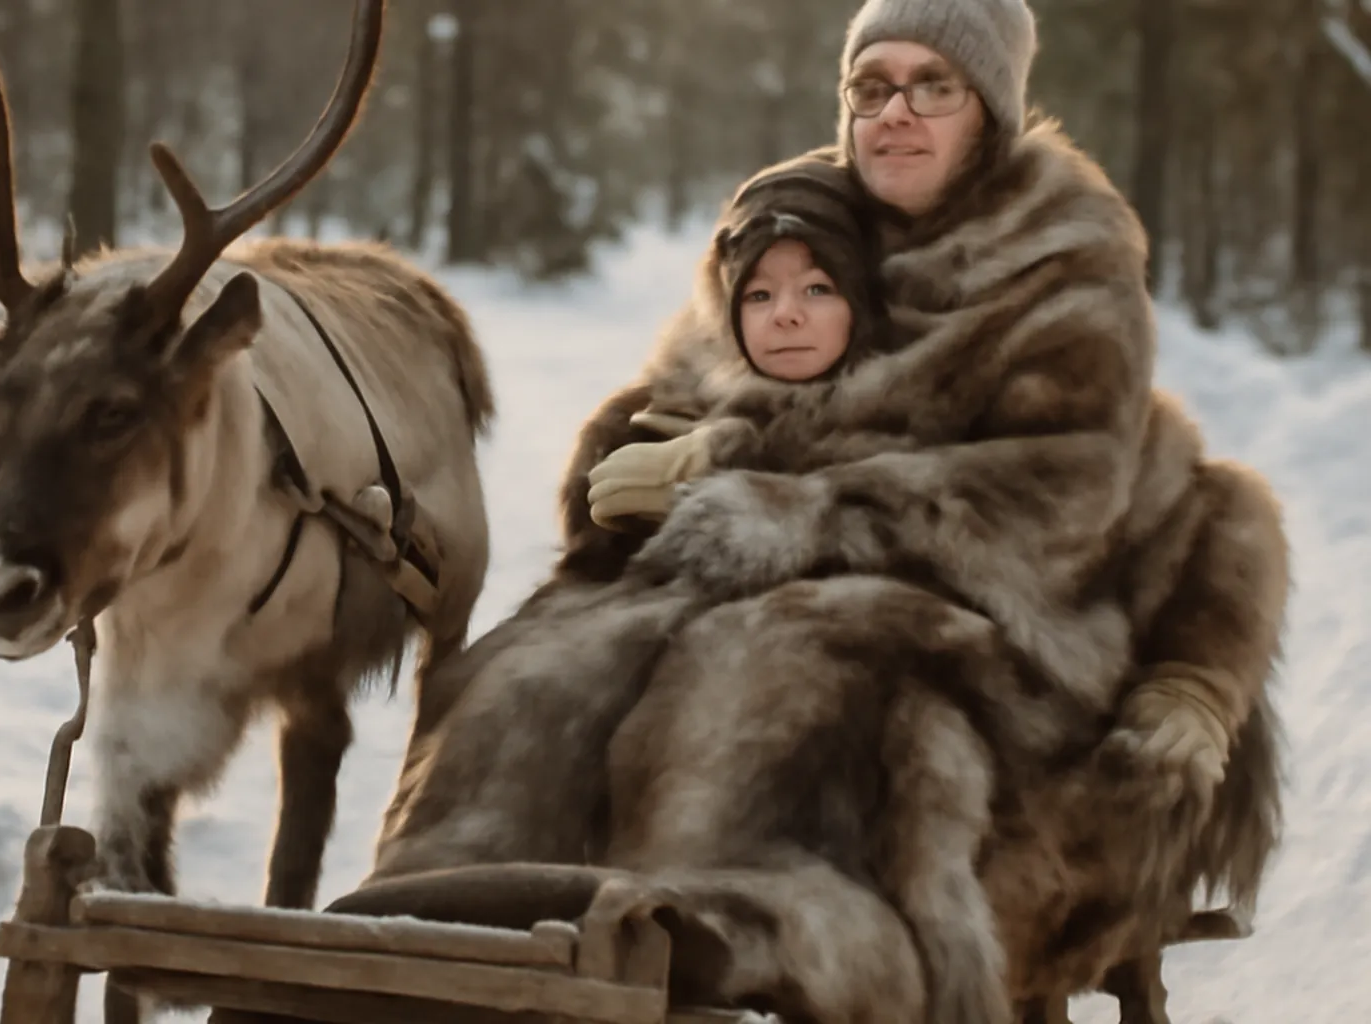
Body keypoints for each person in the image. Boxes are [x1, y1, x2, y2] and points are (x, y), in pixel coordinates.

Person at [308, 4, 1291, 1024]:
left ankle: (750, 920)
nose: (894, 113)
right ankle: (438, 913)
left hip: (1010, 621)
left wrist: (766, 489)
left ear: (991, 112)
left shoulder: (1063, 263)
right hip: (759, 575)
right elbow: (687, 389)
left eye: (932, 87)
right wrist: (637, 461)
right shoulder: (808, 211)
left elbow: (1055, 495)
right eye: (872, 88)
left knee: (776, 660)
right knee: (535, 661)